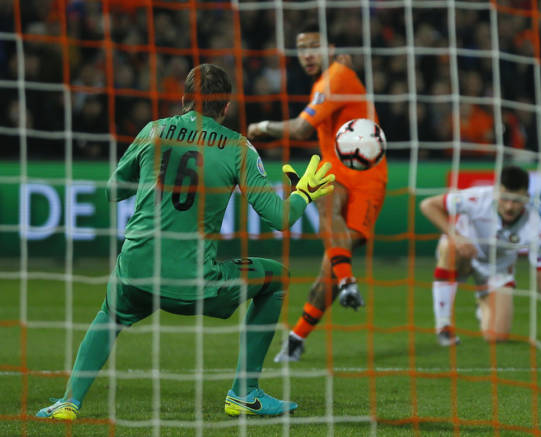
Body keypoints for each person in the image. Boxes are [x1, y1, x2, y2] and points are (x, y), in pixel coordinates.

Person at [36, 64, 335, 420]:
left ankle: (69, 402)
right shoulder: (238, 148)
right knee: (277, 278)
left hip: (136, 271)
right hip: (192, 283)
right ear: (226, 107)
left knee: (110, 314)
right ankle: (244, 393)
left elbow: (113, 191)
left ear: (183, 99)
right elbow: (280, 219)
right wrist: (303, 193)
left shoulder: (154, 130)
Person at [247, 22, 388, 362]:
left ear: (330, 48)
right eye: (301, 48)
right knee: (325, 201)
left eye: (314, 46)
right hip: (335, 167)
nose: (307, 54)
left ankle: (297, 337)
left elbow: (301, 128)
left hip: (368, 176)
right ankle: (348, 283)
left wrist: (261, 127)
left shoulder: (336, 76)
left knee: (329, 267)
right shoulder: (326, 80)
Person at [420, 165, 541, 346]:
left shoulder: (533, 226)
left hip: (497, 270)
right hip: (465, 254)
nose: (509, 207)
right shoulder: (477, 198)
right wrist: (456, 235)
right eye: (505, 199)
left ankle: (484, 301)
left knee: (497, 337)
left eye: (516, 201)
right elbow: (428, 205)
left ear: (526, 197)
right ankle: (444, 326)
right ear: (496, 192)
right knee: (450, 246)